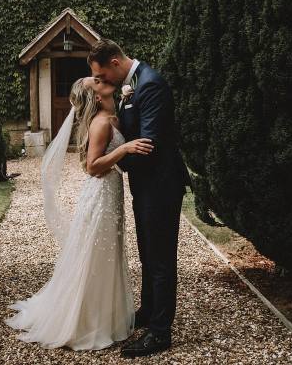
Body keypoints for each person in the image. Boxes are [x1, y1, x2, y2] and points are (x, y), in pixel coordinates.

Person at [4, 75, 153, 350]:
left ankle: (107, 316)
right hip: (100, 196)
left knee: (107, 252)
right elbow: (92, 167)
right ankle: (86, 322)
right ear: (96, 96)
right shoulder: (100, 123)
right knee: (95, 253)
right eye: (96, 81)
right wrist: (124, 148)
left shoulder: (113, 113)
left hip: (111, 193)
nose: (103, 79)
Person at [88, 38, 193, 358]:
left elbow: (148, 145)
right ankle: (149, 312)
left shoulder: (151, 85)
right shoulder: (131, 86)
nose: (102, 82)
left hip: (160, 185)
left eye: (103, 76)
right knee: (148, 253)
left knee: (161, 259)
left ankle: (160, 333)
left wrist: (116, 158)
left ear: (116, 64)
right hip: (144, 186)